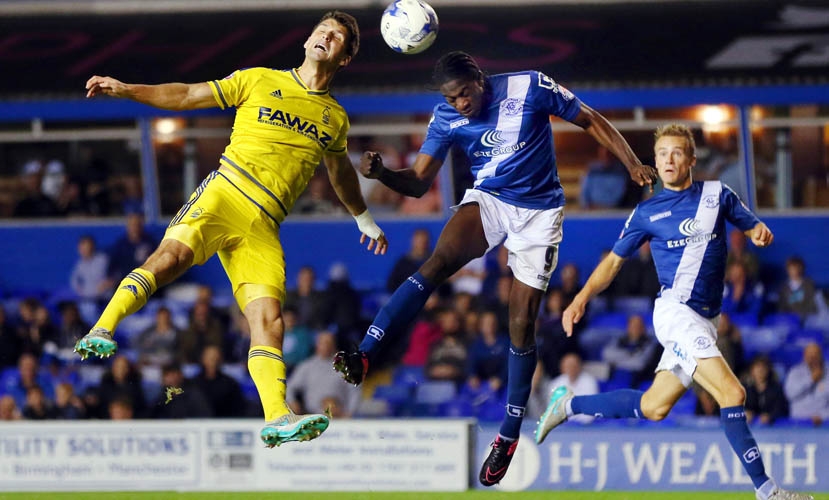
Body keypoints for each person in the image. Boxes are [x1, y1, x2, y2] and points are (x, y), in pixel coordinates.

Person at [333, 50, 656, 486]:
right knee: (437, 262)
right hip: (490, 200)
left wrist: (631, 161)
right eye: (452, 98)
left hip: (540, 215)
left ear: (479, 80)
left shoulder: (530, 86)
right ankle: (366, 354)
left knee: (521, 324)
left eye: (464, 93)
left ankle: (508, 434)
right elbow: (419, 182)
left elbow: (590, 119)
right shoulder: (445, 117)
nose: (460, 104)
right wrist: (385, 175)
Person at [75, 10, 388, 448]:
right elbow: (185, 96)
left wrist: (364, 218)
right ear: (306, 41)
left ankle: (277, 416)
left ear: (345, 58)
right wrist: (128, 89)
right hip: (224, 194)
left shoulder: (334, 118)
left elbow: (340, 175)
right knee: (169, 260)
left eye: (337, 37)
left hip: (263, 225)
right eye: (322, 30)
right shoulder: (258, 79)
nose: (326, 37)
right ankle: (101, 329)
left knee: (270, 321)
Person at [535, 123, 812, 500]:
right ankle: (768, 491)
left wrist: (758, 232)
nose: (667, 159)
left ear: (692, 160)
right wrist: (580, 298)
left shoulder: (718, 195)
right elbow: (613, 264)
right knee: (732, 393)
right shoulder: (647, 212)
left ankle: (566, 406)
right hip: (676, 314)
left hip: (707, 320)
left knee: (654, 407)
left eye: (676, 152)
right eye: (662, 153)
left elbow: (752, 226)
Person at [783, 342, 829, 426]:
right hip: (798, 423)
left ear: (821, 356)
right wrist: (811, 380)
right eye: (810, 355)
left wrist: (822, 416)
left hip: (824, 423)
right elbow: (790, 395)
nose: (813, 358)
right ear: (804, 356)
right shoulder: (795, 372)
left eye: (816, 355)